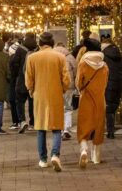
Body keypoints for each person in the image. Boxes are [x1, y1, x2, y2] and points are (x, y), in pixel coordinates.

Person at [25, 32, 70, 172]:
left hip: (39, 95)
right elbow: (66, 79)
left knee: (41, 128)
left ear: (39, 43)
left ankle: (43, 159)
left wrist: (31, 90)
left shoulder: (32, 58)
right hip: (55, 94)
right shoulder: (60, 57)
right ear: (52, 43)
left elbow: (29, 79)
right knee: (57, 127)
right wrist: (62, 89)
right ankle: (55, 154)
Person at [76, 41, 109, 168]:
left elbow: (78, 82)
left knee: (84, 127)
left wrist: (81, 90)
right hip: (100, 99)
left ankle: (84, 150)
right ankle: (96, 158)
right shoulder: (104, 66)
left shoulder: (83, 64)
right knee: (99, 127)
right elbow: (105, 83)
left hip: (86, 99)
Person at [101, 36, 122, 139]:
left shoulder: (103, 54)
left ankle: (110, 131)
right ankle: (111, 129)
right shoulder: (118, 53)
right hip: (118, 82)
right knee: (113, 106)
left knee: (108, 107)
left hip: (108, 82)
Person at [15, 34, 38, 133]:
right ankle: (33, 122)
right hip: (34, 81)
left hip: (21, 79)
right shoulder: (37, 50)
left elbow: (14, 63)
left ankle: (22, 121)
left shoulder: (19, 50)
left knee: (19, 102)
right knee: (32, 102)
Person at [54, 43, 77, 140]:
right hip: (69, 86)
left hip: (55, 86)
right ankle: (66, 129)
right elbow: (76, 70)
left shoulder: (52, 56)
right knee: (68, 107)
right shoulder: (70, 57)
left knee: (57, 107)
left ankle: (59, 128)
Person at [8, 40, 21, 129]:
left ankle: (16, 122)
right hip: (19, 83)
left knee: (13, 102)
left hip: (13, 83)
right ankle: (20, 121)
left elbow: (9, 74)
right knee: (19, 103)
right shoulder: (21, 58)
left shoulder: (11, 60)